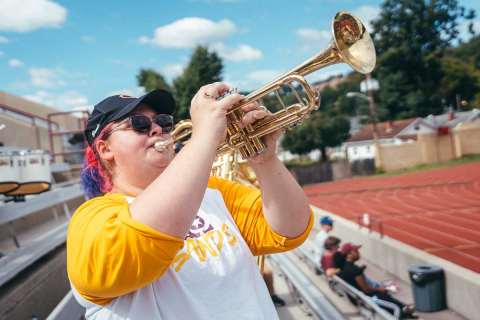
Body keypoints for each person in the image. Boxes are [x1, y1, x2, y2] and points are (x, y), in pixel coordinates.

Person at [67, 84, 313, 320]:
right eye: (138, 124)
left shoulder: (212, 190)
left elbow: (290, 229)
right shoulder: (92, 218)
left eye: (163, 123)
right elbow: (138, 243)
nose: (157, 130)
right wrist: (204, 137)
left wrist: (265, 160)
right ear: (105, 148)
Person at [339, 243, 417, 319]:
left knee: (384, 294)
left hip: (356, 296)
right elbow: (366, 289)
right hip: (364, 298)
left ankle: (404, 309)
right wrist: (380, 289)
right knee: (386, 297)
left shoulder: (345, 266)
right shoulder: (354, 270)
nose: (359, 253)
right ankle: (403, 311)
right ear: (349, 254)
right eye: (356, 251)